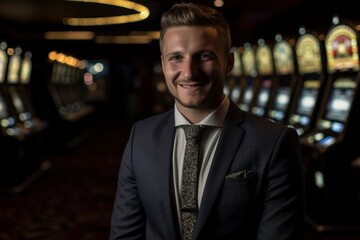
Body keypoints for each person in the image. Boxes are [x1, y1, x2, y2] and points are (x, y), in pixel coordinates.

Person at [109, 2, 304, 240]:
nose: (189, 72)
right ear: (163, 64)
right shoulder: (141, 135)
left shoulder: (274, 142)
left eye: (204, 56)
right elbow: (125, 235)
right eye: (176, 58)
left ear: (228, 63)